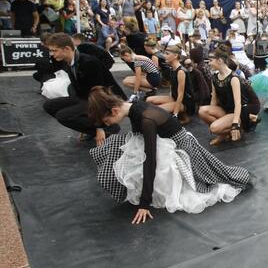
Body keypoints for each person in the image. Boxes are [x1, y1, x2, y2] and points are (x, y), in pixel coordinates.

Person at [87, 87, 250, 224]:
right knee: (114, 144)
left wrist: (144, 203)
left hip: (180, 148)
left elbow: (150, 160)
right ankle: (118, 184)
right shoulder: (132, 109)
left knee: (212, 180)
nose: (108, 125)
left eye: (107, 121)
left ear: (115, 110)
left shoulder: (146, 119)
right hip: (162, 141)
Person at [42, 33, 126, 143]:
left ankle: (108, 128)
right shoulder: (69, 61)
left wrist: (99, 126)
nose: (52, 54)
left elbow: (99, 94)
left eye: (54, 51)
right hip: (85, 96)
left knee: (63, 116)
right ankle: (91, 129)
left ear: (67, 49)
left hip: (106, 100)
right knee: (49, 105)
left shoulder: (89, 63)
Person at [198, 48, 260, 145]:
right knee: (202, 111)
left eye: (210, 60)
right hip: (226, 108)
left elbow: (238, 103)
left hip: (240, 110)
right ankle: (225, 132)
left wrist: (235, 123)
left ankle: (236, 128)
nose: (208, 63)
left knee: (214, 128)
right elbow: (214, 98)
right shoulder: (215, 77)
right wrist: (211, 111)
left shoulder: (233, 78)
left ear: (220, 60)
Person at [146, 45, 195, 124]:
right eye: (165, 53)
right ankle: (181, 115)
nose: (164, 56)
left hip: (185, 102)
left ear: (175, 56)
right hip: (175, 97)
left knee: (156, 111)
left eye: (167, 54)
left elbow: (181, 95)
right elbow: (172, 88)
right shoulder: (172, 68)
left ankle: (183, 115)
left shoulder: (181, 72)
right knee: (149, 100)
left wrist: (175, 114)